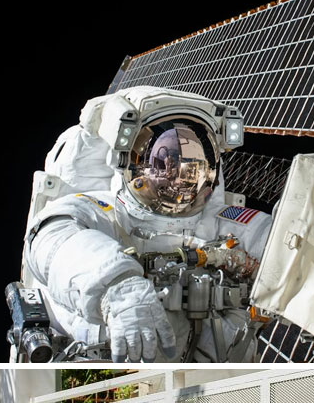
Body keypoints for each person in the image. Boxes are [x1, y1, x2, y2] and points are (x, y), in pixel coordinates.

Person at [21, 85, 273, 363]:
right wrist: (116, 285)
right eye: (166, 162)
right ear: (132, 161)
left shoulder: (221, 222)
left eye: (192, 165)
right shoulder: (104, 209)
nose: (179, 177)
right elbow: (51, 235)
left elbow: (287, 245)